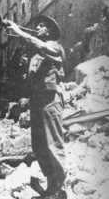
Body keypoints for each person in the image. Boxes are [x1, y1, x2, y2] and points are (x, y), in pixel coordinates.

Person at [6, 15, 67, 199]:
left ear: (49, 31)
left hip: (50, 100)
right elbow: (22, 78)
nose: (38, 27)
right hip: (37, 102)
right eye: (38, 26)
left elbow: (40, 45)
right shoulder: (35, 55)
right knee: (39, 145)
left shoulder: (54, 46)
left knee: (53, 143)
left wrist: (18, 30)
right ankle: (50, 187)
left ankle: (58, 188)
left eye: (42, 26)